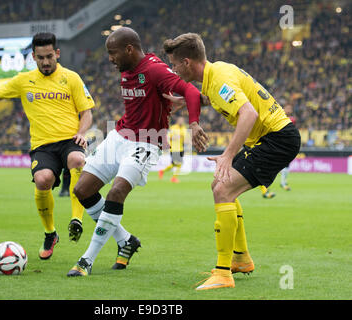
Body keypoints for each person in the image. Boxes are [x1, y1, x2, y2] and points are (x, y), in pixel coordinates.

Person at [163, 33, 301, 290]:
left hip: (276, 139)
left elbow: (247, 113)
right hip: (270, 138)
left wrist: (227, 155)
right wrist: (187, 101)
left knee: (223, 188)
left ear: (187, 62)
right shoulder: (215, 74)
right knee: (219, 184)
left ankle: (224, 273)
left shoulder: (219, 79)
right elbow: (213, 97)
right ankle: (241, 259)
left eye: (174, 64)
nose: (173, 69)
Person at [67, 27, 208, 277]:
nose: (110, 59)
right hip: (120, 135)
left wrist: (194, 123)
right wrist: (167, 102)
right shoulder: (127, 69)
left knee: (117, 191)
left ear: (129, 49)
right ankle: (126, 241)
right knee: (81, 190)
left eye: (113, 53)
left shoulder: (154, 69)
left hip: (146, 142)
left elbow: (190, 90)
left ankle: (86, 260)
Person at [0, 32, 94, 259]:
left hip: (70, 140)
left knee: (77, 160)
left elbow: (87, 113)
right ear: (33, 56)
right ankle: (50, 232)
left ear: (57, 54)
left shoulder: (71, 78)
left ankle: (76, 219)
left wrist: (82, 133)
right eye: (41, 57)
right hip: (43, 145)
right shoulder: (23, 80)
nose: (46, 62)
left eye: (50, 56)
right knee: (43, 181)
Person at [158, 116, 188, 183]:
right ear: (177, 121)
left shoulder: (184, 128)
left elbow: (185, 138)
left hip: (180, 148)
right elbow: (169, 137)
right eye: (180, 120)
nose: (181, 122)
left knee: (175, 164)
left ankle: (162, 171)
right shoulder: (173, 128)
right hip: (174, 148)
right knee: (178, 163)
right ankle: (173, 178)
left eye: (182, 120)